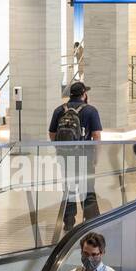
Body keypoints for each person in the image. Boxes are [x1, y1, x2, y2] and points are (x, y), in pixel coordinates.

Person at [48, 81, 103, 228]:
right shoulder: (91, 110)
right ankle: (91, 224)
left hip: (65, 157)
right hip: (85, 157)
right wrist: (96, 157)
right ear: (84, 94)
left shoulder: (59, 110)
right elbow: (96, 135)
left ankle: (69, 224)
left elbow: (52, 133)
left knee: (69, 190)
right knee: (88, 191)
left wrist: (60, 149)